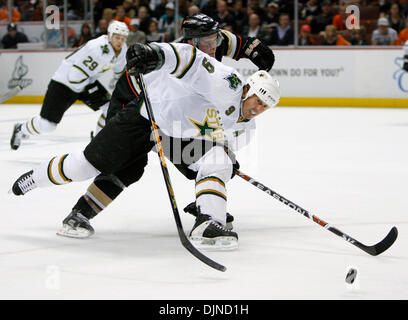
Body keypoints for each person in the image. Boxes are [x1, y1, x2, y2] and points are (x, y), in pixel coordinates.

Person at [16, 13, 275, 241]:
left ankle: (208, 216)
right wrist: (153, 54)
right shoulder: (180, 53)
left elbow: (218, 52)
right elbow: (186, 57)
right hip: (136, 111)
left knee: (218, 160)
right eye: (206, 42)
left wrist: (249, 46)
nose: (212, 47)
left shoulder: (212, 60)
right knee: (118, 167)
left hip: (175, 128)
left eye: (215, 41)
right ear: (191, 40)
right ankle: (69, 206)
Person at [10, 21, 129, 150]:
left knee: (111, 108)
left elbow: (119, 73)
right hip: (64, 83)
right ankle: (21, 129)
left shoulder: (122, 49)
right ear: (110, 35)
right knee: (47, 125)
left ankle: (97, 142)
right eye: (117, 37)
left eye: (123, 38)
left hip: (85, 82)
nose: (120, 41)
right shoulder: (96, 48)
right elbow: (74, 77)